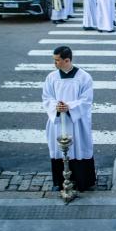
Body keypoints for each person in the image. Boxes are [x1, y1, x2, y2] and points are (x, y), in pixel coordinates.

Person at [42, 46, 96, 192]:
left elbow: (86, 100)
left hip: (77, 122)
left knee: (78, 148)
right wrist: (56, 107)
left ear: (67, 60)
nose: (55, 64)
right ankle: (60, 182)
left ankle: (82, 181)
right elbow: (47, 98)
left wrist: (69, 107)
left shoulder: (84, 77)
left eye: (57, 60)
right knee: (59, 150)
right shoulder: (51, 77)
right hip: (58, 121)